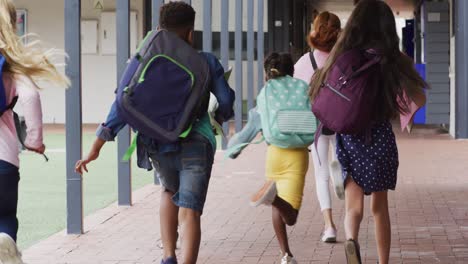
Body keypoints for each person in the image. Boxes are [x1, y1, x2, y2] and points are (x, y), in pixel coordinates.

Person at [75, 2, 235, 264]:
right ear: (190, 32)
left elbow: (123, 103)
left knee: (168, 192)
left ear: (159, 28)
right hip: (196, 142)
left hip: (157, 142)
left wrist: (96, 147)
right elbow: (226, 101)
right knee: (191, 210)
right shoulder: (206, 62)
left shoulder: (145, 60)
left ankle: (169, 256)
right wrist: (218, 117)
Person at [309, 1, 427, 263]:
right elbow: (419, 96)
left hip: (350, 137)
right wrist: (407, 116)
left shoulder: (342, 55)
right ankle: (382, 261)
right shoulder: (391, 59)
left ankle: (351, 241)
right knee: (379, 208)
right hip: (380, 137)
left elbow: (318, 89)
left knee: (354, 206)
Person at [0, 0, 69, 262]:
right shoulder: (11, 65)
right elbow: (30, 97)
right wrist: (33, 141)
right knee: (5, 218)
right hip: (3, 161)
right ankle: (5, 241)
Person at [227, 53, 312, 264]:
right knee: (290, 216)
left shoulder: (266, 96)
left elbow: (248, 131)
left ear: (267, 75)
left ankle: (286, 255)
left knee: (278, 204)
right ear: (292, 71)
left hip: (275, 154)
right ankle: (273, 200)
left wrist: (232, 149)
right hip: (298, 156)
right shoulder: (302, 89)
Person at [293, 11, 343, 243]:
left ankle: (329, 227)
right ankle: (341, 177)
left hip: (317, 124)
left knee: (320, 175)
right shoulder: (345, 59)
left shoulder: (305, 62)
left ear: (315, 29)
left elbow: (295, 95)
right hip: (344, 121)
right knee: (345, 165)